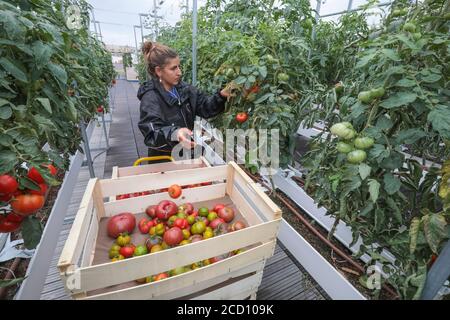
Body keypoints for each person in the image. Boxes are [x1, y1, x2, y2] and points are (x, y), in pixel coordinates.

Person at [137, 42, 231, 161]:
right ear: (159, 71)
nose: (179, 72)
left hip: (186, 154)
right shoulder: (151, 98)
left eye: (179, 66)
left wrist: (222, 95)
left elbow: (206, 107)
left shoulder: (185, 90)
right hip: (165, 160)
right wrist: (175, 133)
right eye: (173, 68)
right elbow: (152, 133)